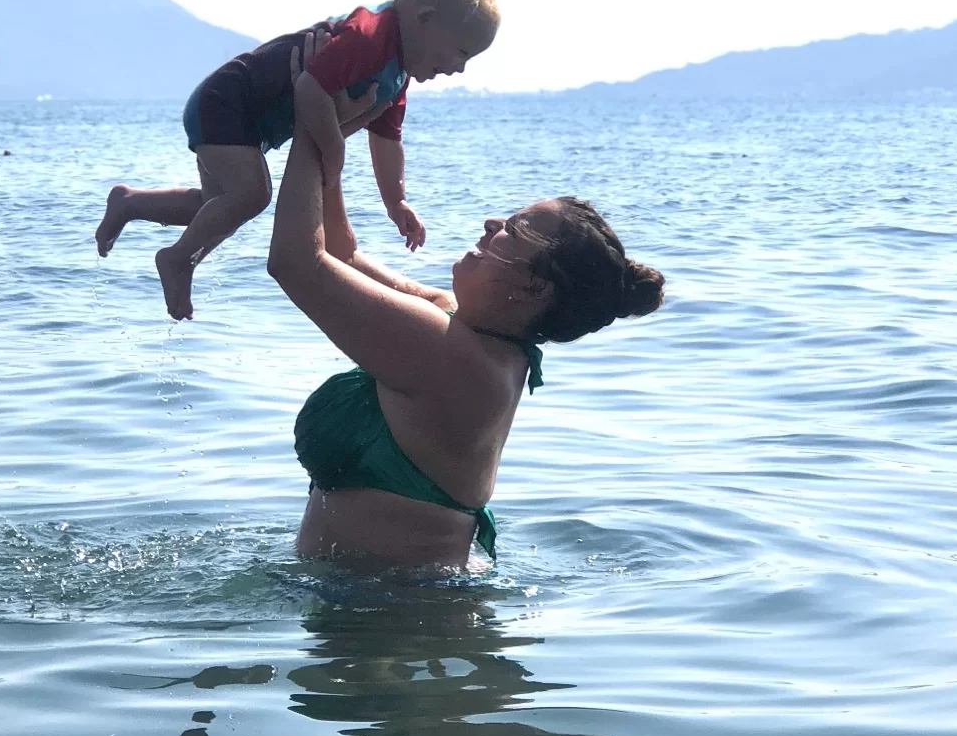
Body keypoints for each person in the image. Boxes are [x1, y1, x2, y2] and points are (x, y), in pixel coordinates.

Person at [266, 116, 665, 568]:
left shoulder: (453, 357)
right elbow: (340, 256)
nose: (491, 221)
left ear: (534, 288)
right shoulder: (459, 327)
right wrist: (331, 130)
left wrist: (307, 122)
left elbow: (296, 262)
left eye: (514, 231)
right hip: (381, 610)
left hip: (403, 621)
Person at [93, 0, 500, 321]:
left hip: (246, 118)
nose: (460, 69)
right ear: (425, 18)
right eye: (461, 52)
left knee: (217, 205)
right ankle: (180, 258)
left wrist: (396, 201)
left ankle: (131, 203)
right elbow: (310, 89)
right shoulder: (369, 35)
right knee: (252, 195)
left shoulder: (397, 73)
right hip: (228, 101)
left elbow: (387, 138)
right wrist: (333, 148)